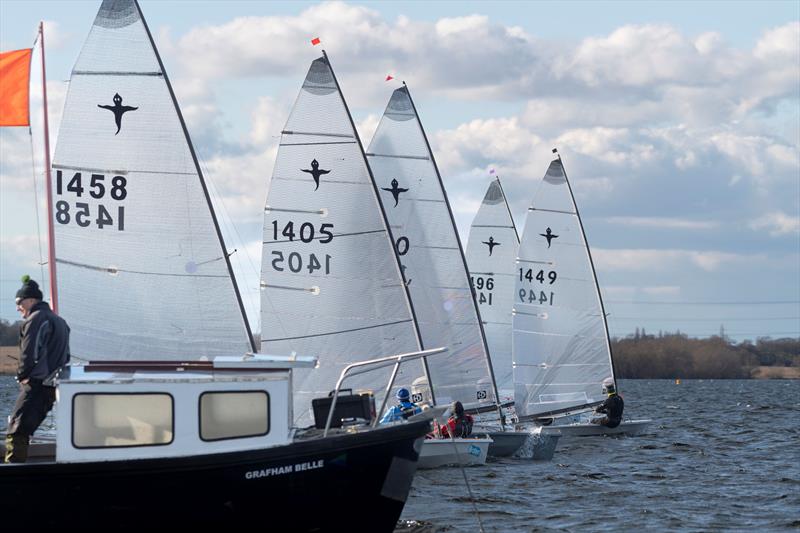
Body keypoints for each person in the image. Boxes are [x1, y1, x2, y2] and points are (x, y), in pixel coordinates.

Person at [5, 276, 70, 463]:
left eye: (19, 302)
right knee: (26, 427)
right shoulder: (61, 321)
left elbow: (30, 351)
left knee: (16, 430)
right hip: (52, 387)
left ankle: (12, 473)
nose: (18, 307)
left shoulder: (36, 319)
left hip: (36, 383)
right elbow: (66, 356)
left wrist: (23, 375)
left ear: (31, 300)